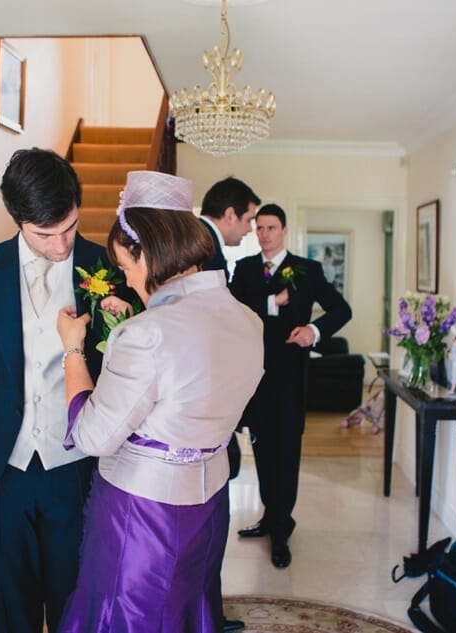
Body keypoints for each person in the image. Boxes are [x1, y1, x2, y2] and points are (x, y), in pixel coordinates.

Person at [54, 171, 263, 632]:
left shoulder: (145, 335)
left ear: (146, 251)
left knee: (127, 616)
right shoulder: (248, 321)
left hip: (142, 511)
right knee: (185, 609)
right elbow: (191, 380)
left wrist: (73, 349)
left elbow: (93, 436)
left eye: (126, 266)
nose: (127, 278)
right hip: (208, 505)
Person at [0, 148, 120, 633]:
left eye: (70, 227)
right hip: (2, 472)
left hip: (78, 471)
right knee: (9, 614)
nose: (62, 245)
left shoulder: (111, 271)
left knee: (75, 609)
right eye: (46, 234)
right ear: (18, 219)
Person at [230, 203, 351, 569]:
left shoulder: (308, 270)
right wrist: (270, 301)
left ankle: (281, 530)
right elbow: (231, 306)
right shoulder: (245, 268)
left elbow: (341, 310)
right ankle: (271, 516)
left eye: (271, 227)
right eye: (260, 228)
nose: (264, 234)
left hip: (290, 382)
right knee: (263, 453)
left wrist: (313, 331)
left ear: (284, 230)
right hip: (253, 380)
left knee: (286, 455)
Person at [197, 174, 260, 633]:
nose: (251, 230)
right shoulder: (203, 246)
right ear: (230, 213)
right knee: (207, 524)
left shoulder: (202, 241)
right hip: (201, 401)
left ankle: (206, 613)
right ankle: (204, 616)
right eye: (250, 219)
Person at [198, 175, 261, 276]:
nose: (250, 229)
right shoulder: (206, 250)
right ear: (230, 215)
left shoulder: (197, 236)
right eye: (248, 220)